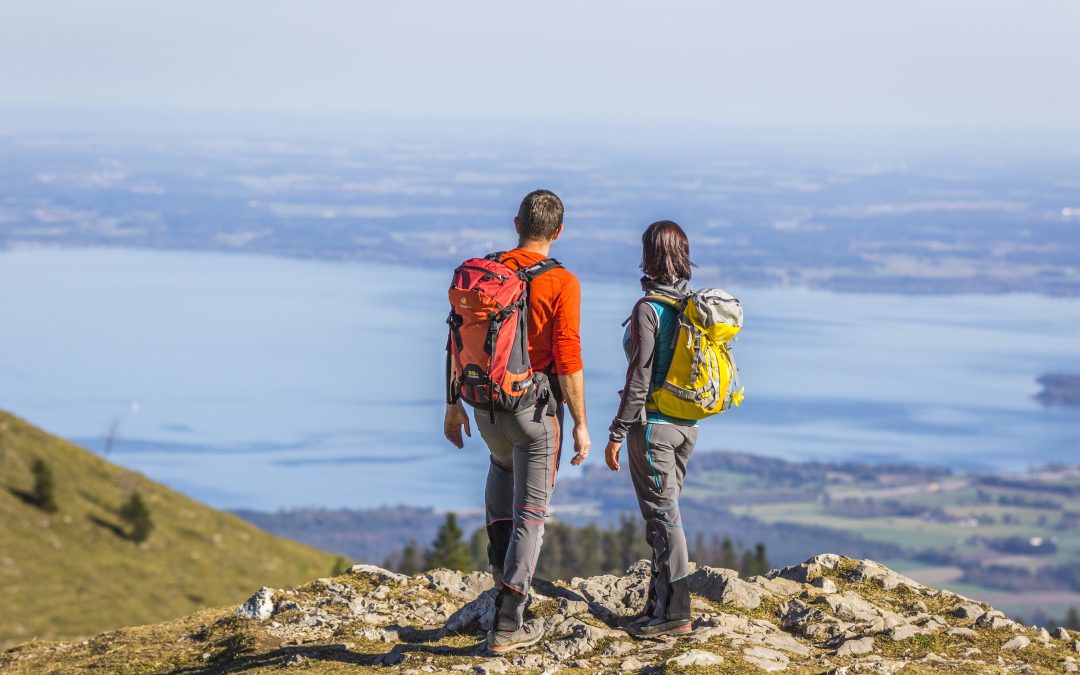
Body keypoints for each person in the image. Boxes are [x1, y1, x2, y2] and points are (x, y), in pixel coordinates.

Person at [443, 189, 592, 653]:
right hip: (534, 413)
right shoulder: (562, 282)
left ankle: (500, 590)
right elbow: (567, 358)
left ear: (516, 224)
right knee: (531, 514)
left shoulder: (488, 272)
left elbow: (455, 338)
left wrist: (452, 405)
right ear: (559, 231)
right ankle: (509, 624)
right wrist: (582, 423)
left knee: (500, 477)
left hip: (485, 408)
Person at [604, 220, 699, 638]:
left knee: (664, 517)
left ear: (649, 255)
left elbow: (639, 378)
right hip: (686, 427)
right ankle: (658, 605)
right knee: (662, 516)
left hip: (653, 427)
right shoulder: (692, 306)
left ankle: (676, 612)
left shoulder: (650, 308)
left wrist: (617, 431)